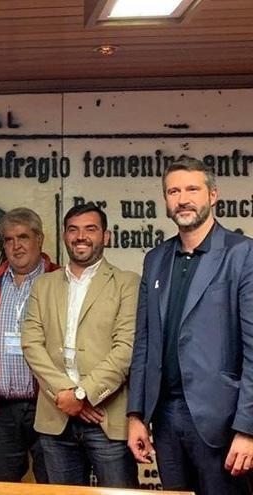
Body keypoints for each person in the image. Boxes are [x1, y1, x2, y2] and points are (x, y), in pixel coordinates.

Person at [127, 156, 253, 495]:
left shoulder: (242, 254)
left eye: (192, 189)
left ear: (213, 195)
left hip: (221, 420)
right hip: (164, 418)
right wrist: (136, 415)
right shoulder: (155, 259)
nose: (182, 199)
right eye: (173, 191)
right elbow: (144, 341)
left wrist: (248, 430)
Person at [21, 203, 139, 488]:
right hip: (55, 418)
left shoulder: (128, 283)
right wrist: (67, 395)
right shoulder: (43, 285)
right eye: (73, 229)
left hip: (106, 420)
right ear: (64, 236)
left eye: (90, 229)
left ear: (106, 236)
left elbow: (126, 349)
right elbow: (31, 344)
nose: (81, 236)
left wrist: (83, 395)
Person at [0, 207, 58, 482]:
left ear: (40, 239)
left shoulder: (59, 281)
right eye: (8, 240)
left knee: (54, 483)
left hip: (49, 405)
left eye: (23, 237)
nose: (16, 246)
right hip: (1, 410)